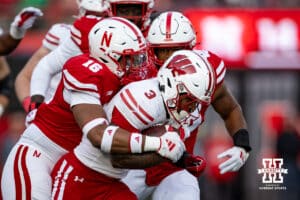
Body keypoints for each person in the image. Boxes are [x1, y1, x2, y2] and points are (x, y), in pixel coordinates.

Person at [0, 17, 181, 200]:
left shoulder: (122, 78)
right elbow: (97, 135)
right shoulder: (86, 72)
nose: (137, 67)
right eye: (129, 59)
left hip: (77, 167)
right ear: (107, 55)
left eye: (138, 58)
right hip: (40, 156)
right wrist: (157, 144)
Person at [120, 11, 252, 200]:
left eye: (176, 50)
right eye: (162, 50)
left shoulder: (207, 72)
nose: (169, 58)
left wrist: (242, 143)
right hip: (131, 168)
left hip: (175, 170)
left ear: (192, 48)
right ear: (151, 49)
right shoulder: (136, 74)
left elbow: (230, 108)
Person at [50, 49, 209, 199]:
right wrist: (163, 149)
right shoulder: (143, 101)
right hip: (82, 175)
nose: (191, 107)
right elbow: (118, 159)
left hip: (112, 183)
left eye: (195, 102)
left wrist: (182, 158)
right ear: (173, 85)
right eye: (189, 99)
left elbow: (162, 144)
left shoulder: (173, 105)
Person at [15, 0, 109, 113]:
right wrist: (32, 108)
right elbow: (25, 77)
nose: (95, 20)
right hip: (54, 120)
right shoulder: (62, 34)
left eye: (101, 16)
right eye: (92, 15)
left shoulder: (125, 43)